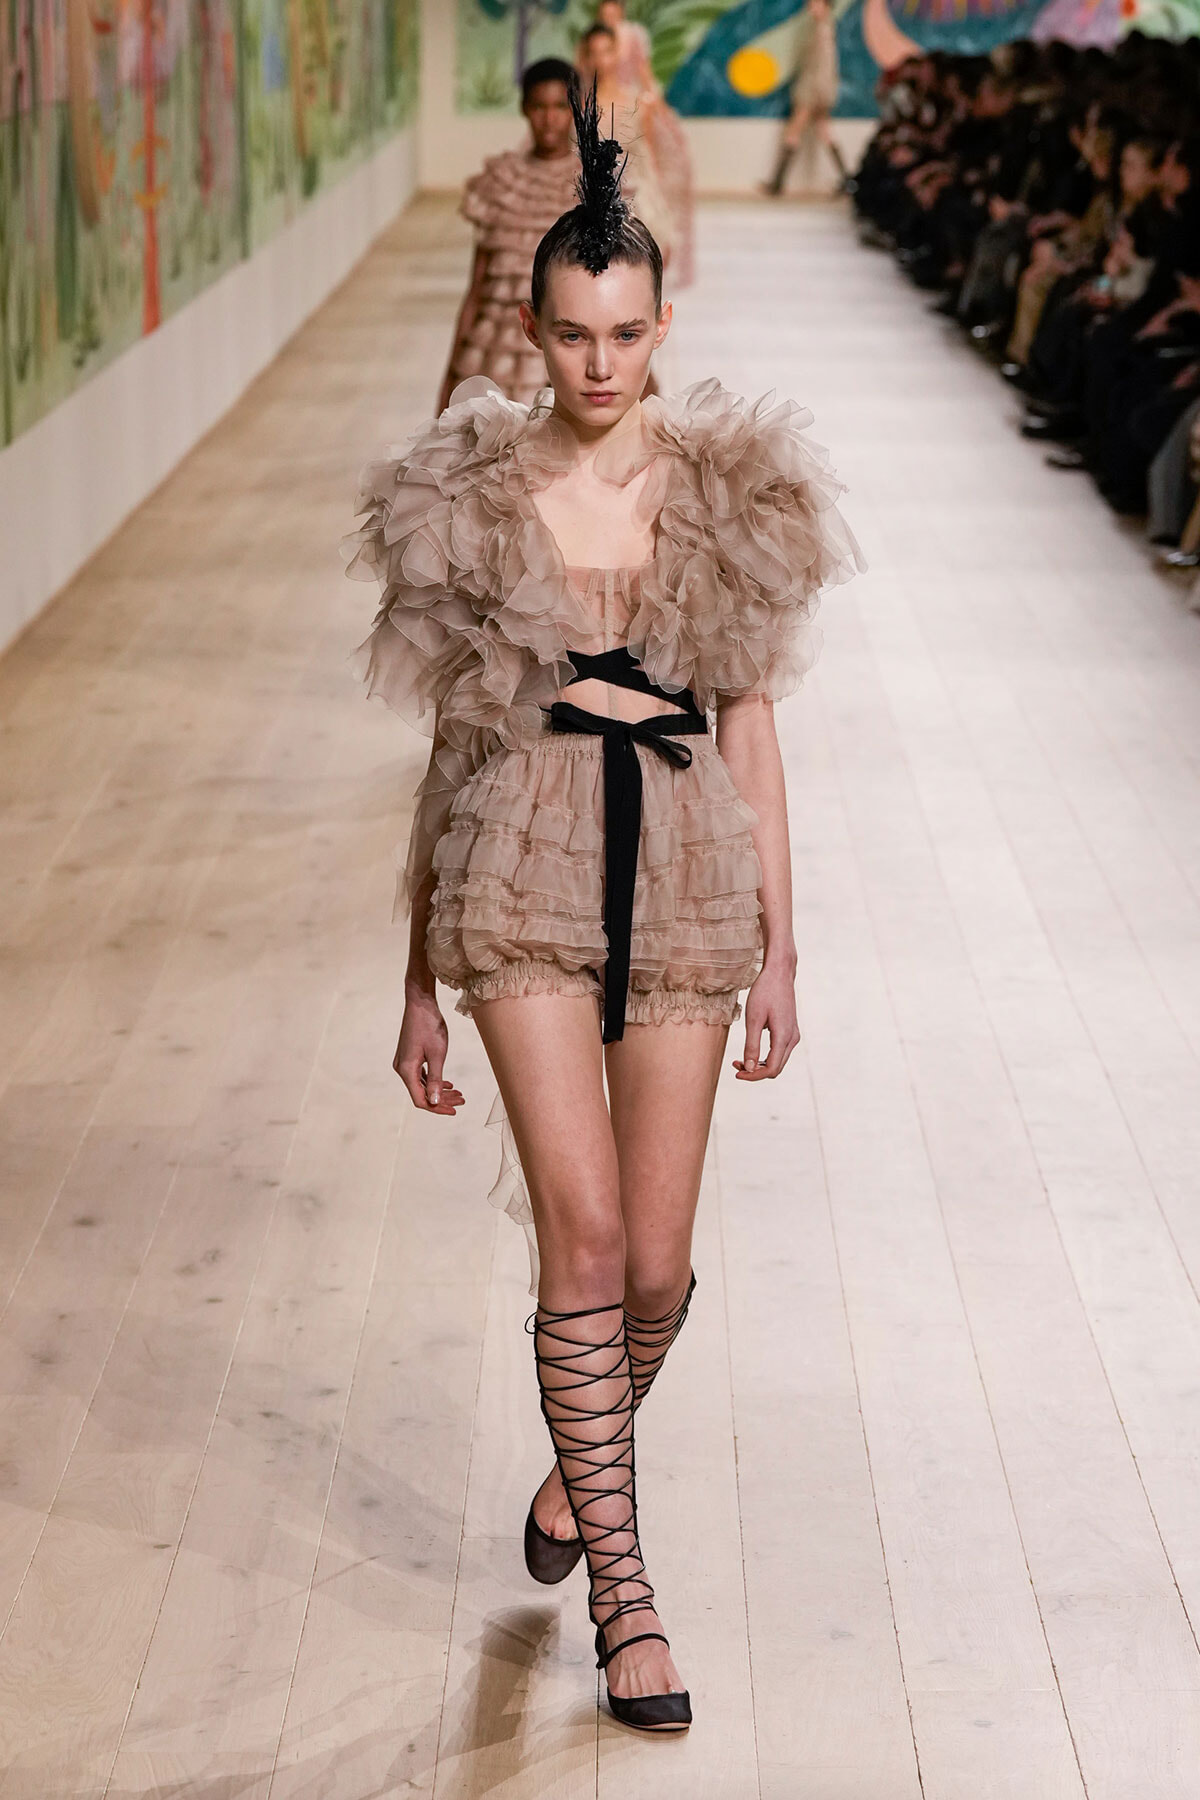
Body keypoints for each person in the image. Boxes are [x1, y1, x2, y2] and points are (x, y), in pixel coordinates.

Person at [345, 78, 861, 1734]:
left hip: (694, 870)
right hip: (518, 869)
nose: (595, 365)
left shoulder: (729, 498)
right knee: (579, 1240)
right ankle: (630, 1603)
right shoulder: (474, 503)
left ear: (659, 318)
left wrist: (783, 944)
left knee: (656, 1266)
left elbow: (757, 727)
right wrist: (420, 973)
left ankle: (578, 1478)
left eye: (624, 332)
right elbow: (451, 739)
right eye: (570, 334)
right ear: (539, 324)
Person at [437, 59, 581, 411]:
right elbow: (478, 286)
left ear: (575, 109)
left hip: (571, 347)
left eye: (560, 106)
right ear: (524, 109)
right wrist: (451, 374)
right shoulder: (502, 183)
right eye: (538, 106)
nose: (549, 118)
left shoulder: (590, 184)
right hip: (497, 351)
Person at [590, 0, 696, 287]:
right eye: (605, 14)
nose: (610, 17)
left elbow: (644, 71)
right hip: (603, 107)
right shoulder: (595, 41)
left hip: (630, 105)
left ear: (621, 12)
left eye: (614, 13)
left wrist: (657, 105)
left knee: (651, 229)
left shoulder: (633, 37)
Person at [764, 0, 848, 197]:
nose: (811, 7)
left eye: (815, 3)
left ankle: (778, 182)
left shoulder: (823, 30)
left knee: (795, 130)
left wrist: (813, 95)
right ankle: (847, 179)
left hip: (813, 91)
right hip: (817, 90)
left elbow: (823, 68)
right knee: (824, 132)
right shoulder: (821, 27)